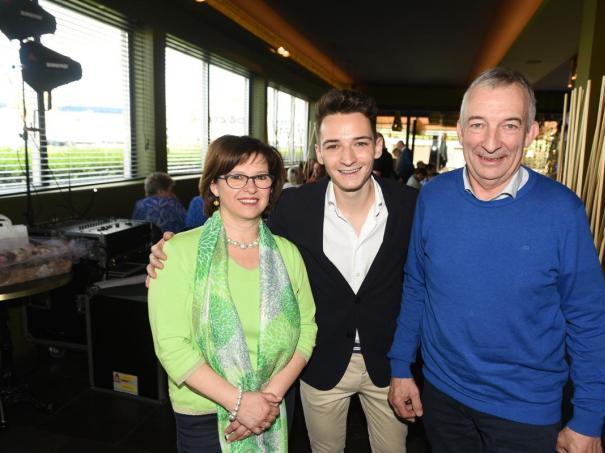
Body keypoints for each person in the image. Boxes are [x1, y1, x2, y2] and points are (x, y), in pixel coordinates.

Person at [149, 89, 418, 452]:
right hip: (321, 366)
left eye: (359, 143)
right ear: (319, 153)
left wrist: (404, 364)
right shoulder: (293, 208)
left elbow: (421, 286)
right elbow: (174, 336)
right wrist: (168, 249)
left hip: (383, 363)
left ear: (378, 146)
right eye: (334, 145)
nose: (349, 157)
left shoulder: (413, 206)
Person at [388, 67, 605, 453]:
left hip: (525, 412)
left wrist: (589, 417)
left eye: (509, 125)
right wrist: (400, 366)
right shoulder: (433, 197)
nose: (490, 143)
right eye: (478, 124)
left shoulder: (563, 212)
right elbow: (417, 285)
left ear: (530, 133)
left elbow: (588, 317)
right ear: (460, 130)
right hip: (441, 397)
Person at [148, 135, 317, 452]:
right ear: (213, 185)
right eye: (236, 176)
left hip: (274, 404)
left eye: (261, 177)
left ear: (272, 185)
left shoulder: (288, 254)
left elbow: (308, 327)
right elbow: (171, 345)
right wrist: (239, 402)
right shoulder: (178, 253)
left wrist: (269, 398)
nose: (250, 188)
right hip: (204, 410)